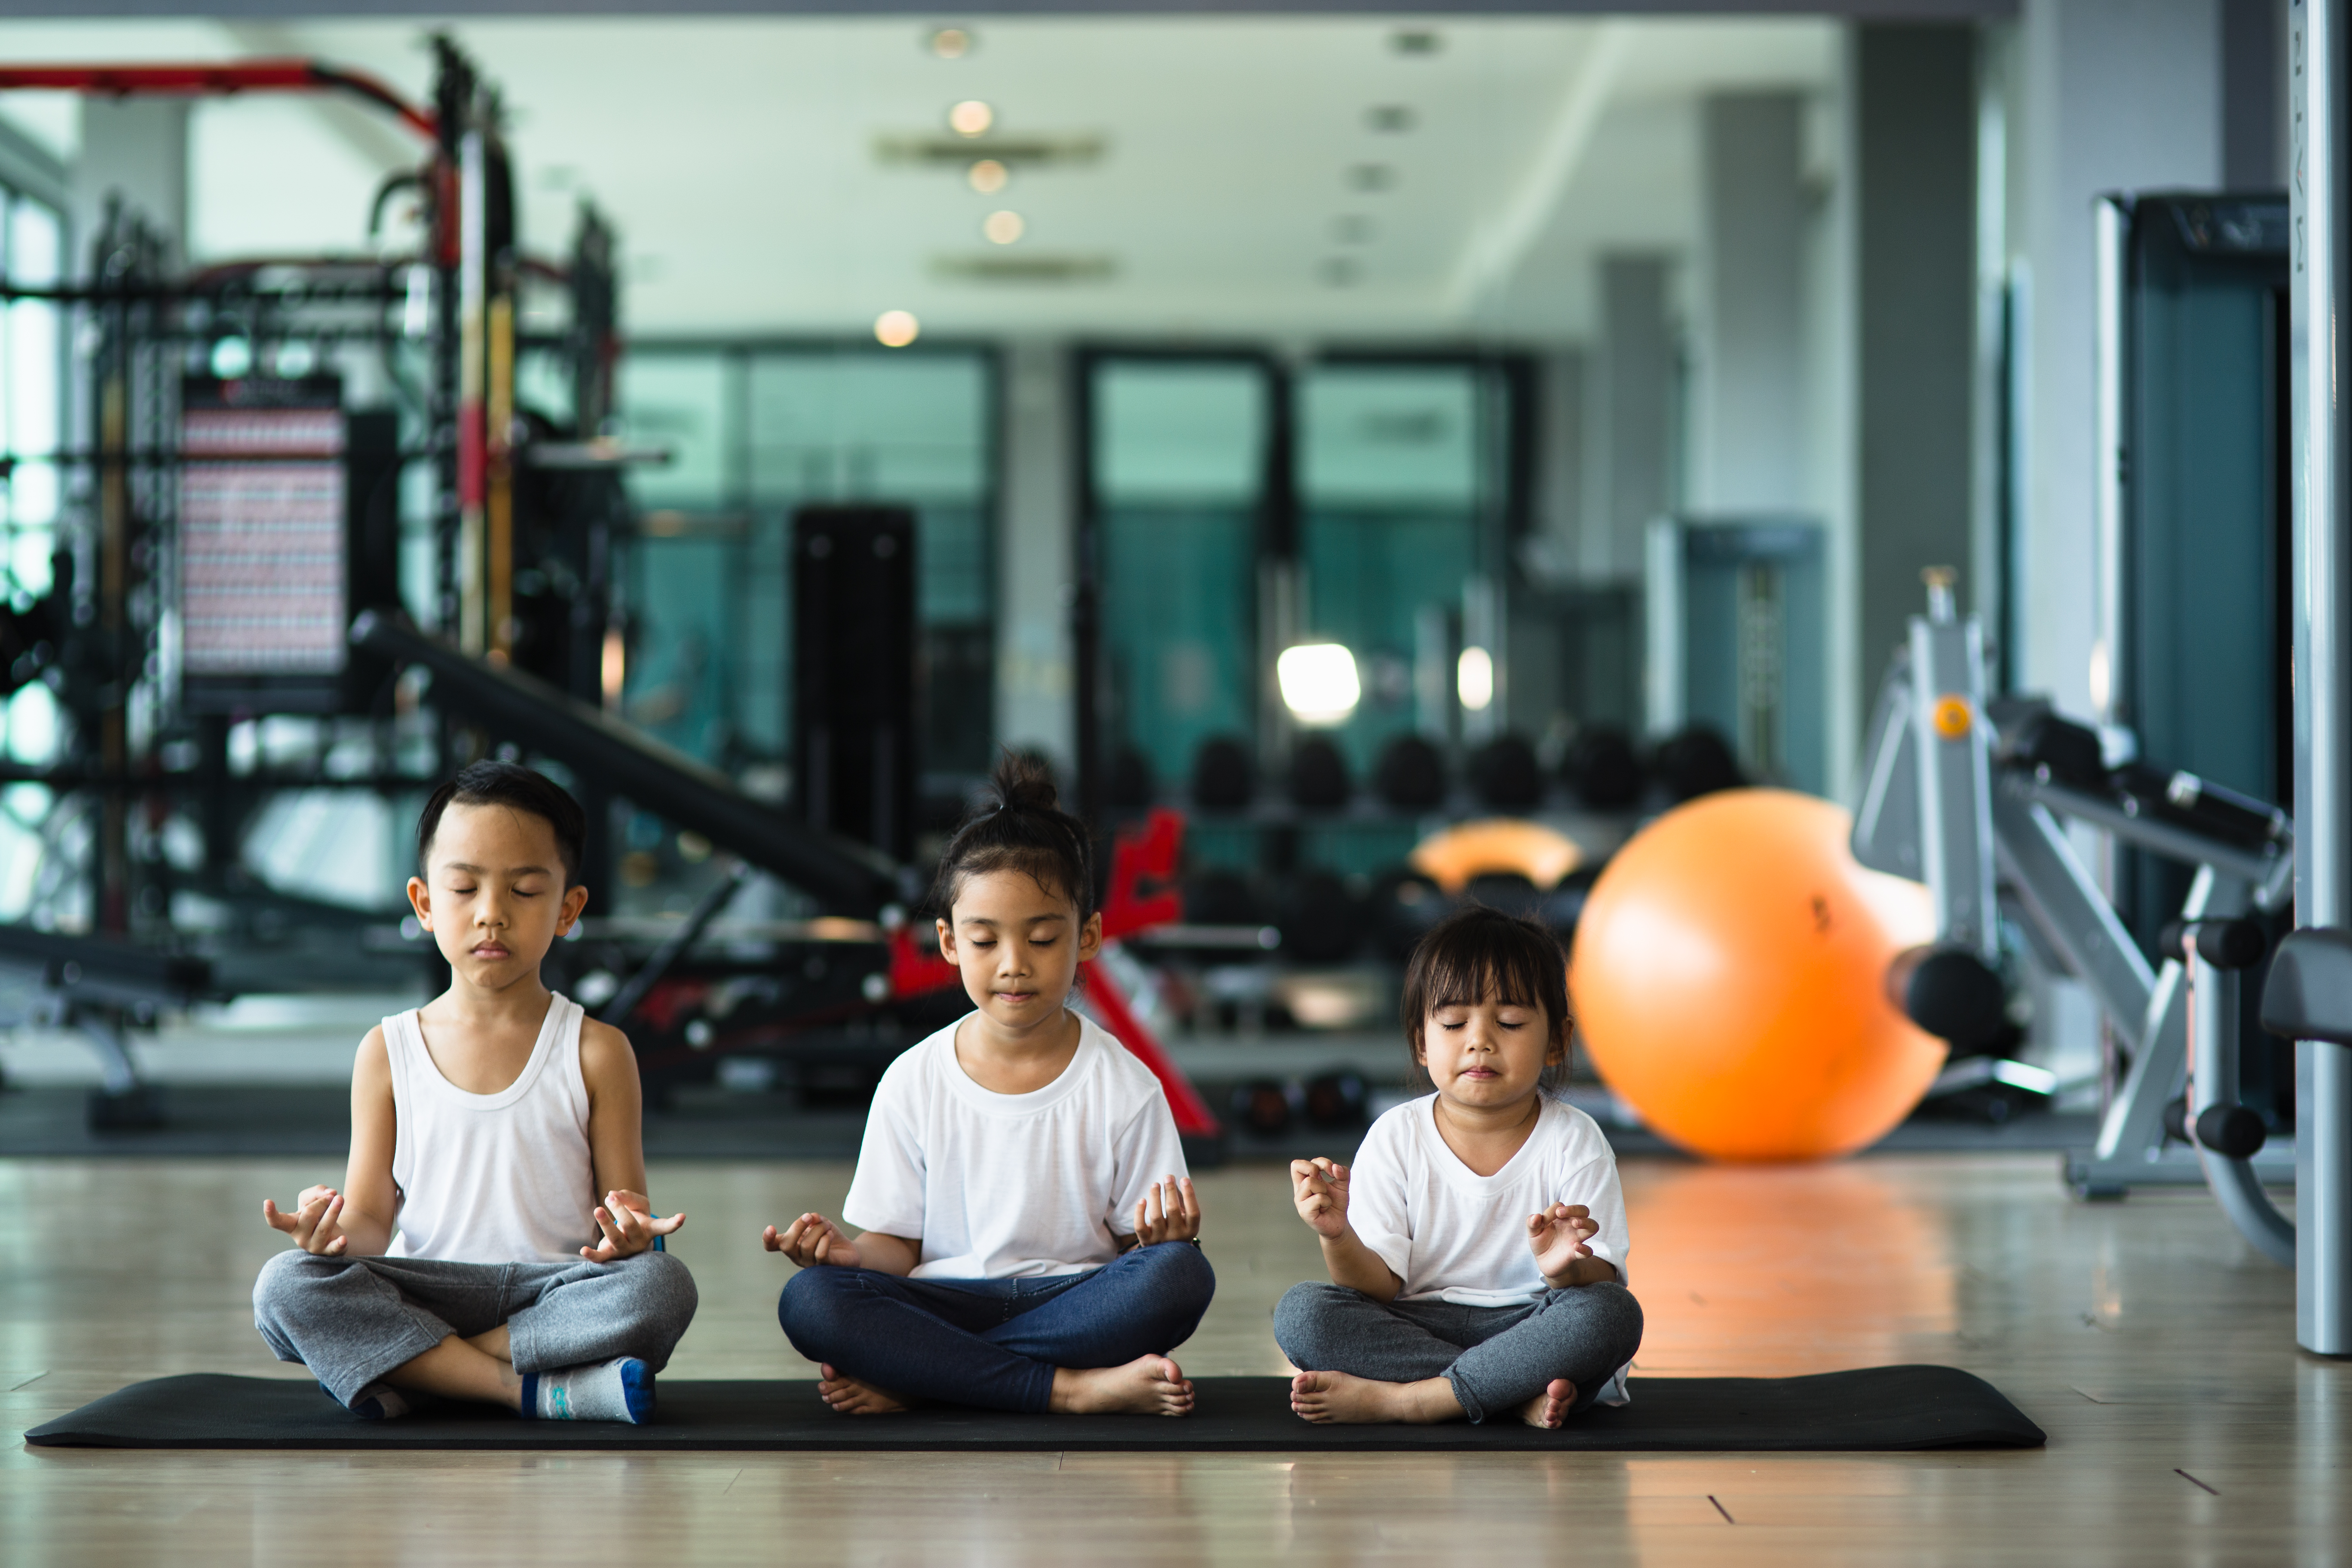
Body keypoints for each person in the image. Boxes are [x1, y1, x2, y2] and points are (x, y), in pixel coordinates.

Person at [768, 753, 1215, 1417]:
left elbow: (1136, 1258)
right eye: (985, 941)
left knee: (1181, 1276)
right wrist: (847, 1255)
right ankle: (1066, 1390)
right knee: (811, 1301)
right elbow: (899, 1249)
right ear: (949, 943)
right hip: (947, 1300)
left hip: (1072, 1302)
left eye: (1041, 939)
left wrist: (1162, 1237)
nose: (1014, 966)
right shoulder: (913, 1079)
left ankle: (928, 1377)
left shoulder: (1126, 1084)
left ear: (1087, 937)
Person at [251, 761, 697, 1423]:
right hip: (429, 1288)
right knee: (284, 1286)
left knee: (662, 1287)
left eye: (523, 891)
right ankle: (521, 1388)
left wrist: (630, 1238)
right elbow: (372, 1222)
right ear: (425, 904)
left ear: (569, 909)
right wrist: (328, 1235)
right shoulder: (387, 1051)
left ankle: (415, 1370)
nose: (492, 915)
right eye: (464, 888)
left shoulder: (598, 1049)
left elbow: (622, 1217)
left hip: (556, 1287)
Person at [1274, 903, 1642, 1428]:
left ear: (1558, 1041)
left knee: (1609, 1315)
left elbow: (1604, 1278)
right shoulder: (1395, 1135)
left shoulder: (1576, 1137)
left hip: (1531, 1325)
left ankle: (1411, 1400)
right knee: (1303, 1313)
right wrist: (1337, 1236)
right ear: (1422, 1042)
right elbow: (1375, 1287)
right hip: (1415, 1323)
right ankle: (1506, 1394)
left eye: (1511, 1021)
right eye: (1453, 1022)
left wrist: (1568, 1269)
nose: (1480, 1040)